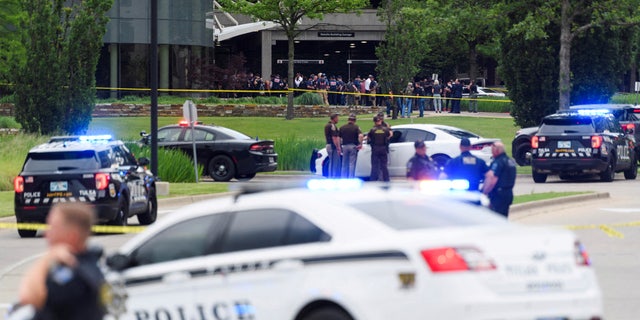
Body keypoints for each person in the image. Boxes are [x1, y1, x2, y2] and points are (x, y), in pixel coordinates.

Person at [16, 202, 107, 320]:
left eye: (53, 227)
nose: (46, 233)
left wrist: (47, 258)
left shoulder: (74, 278)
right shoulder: (87, 265)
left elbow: (28, 296)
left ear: (72, 236)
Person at [482, 142, 517, 217]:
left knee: (496, 217)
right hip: (508, 193)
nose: (492, 153)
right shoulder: (511, 161)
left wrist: (484, 192)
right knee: (504, 216)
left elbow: (492, 180)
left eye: (492, 150)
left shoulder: (498, 162)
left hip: (498, 194)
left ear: (497, 151)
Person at [367, 116, 392, 182]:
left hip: (375, 148)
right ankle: (386, 179)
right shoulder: (385, 129)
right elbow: (389, 135)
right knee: (384, 165)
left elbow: (369, 138)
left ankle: (373, 179)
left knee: (374, 165)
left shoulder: (372, 130)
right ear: (380, 121)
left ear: (374, 122)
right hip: (383, 148)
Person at [339, 113, 363, 178]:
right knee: (351, 164)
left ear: (348, 119)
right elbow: (360, 136)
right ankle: (350, 177)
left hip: (344, 147)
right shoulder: (356, 127)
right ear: (354, 120)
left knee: (344, 164)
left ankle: (343, 177)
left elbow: (339, 138)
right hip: (353, 147)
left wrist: (340, 146)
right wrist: (360, 144)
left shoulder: (342, 127)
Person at [324, 113, 341, 178]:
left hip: (328, 144)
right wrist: (338, 147)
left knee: (331, 162)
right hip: (332, 146)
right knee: (334, 163)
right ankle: (333, 176)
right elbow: (334, 137)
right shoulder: (332, 126)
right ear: (334, 118)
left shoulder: (327, 125)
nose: (338, 119)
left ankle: (331, 176)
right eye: (337, 118)